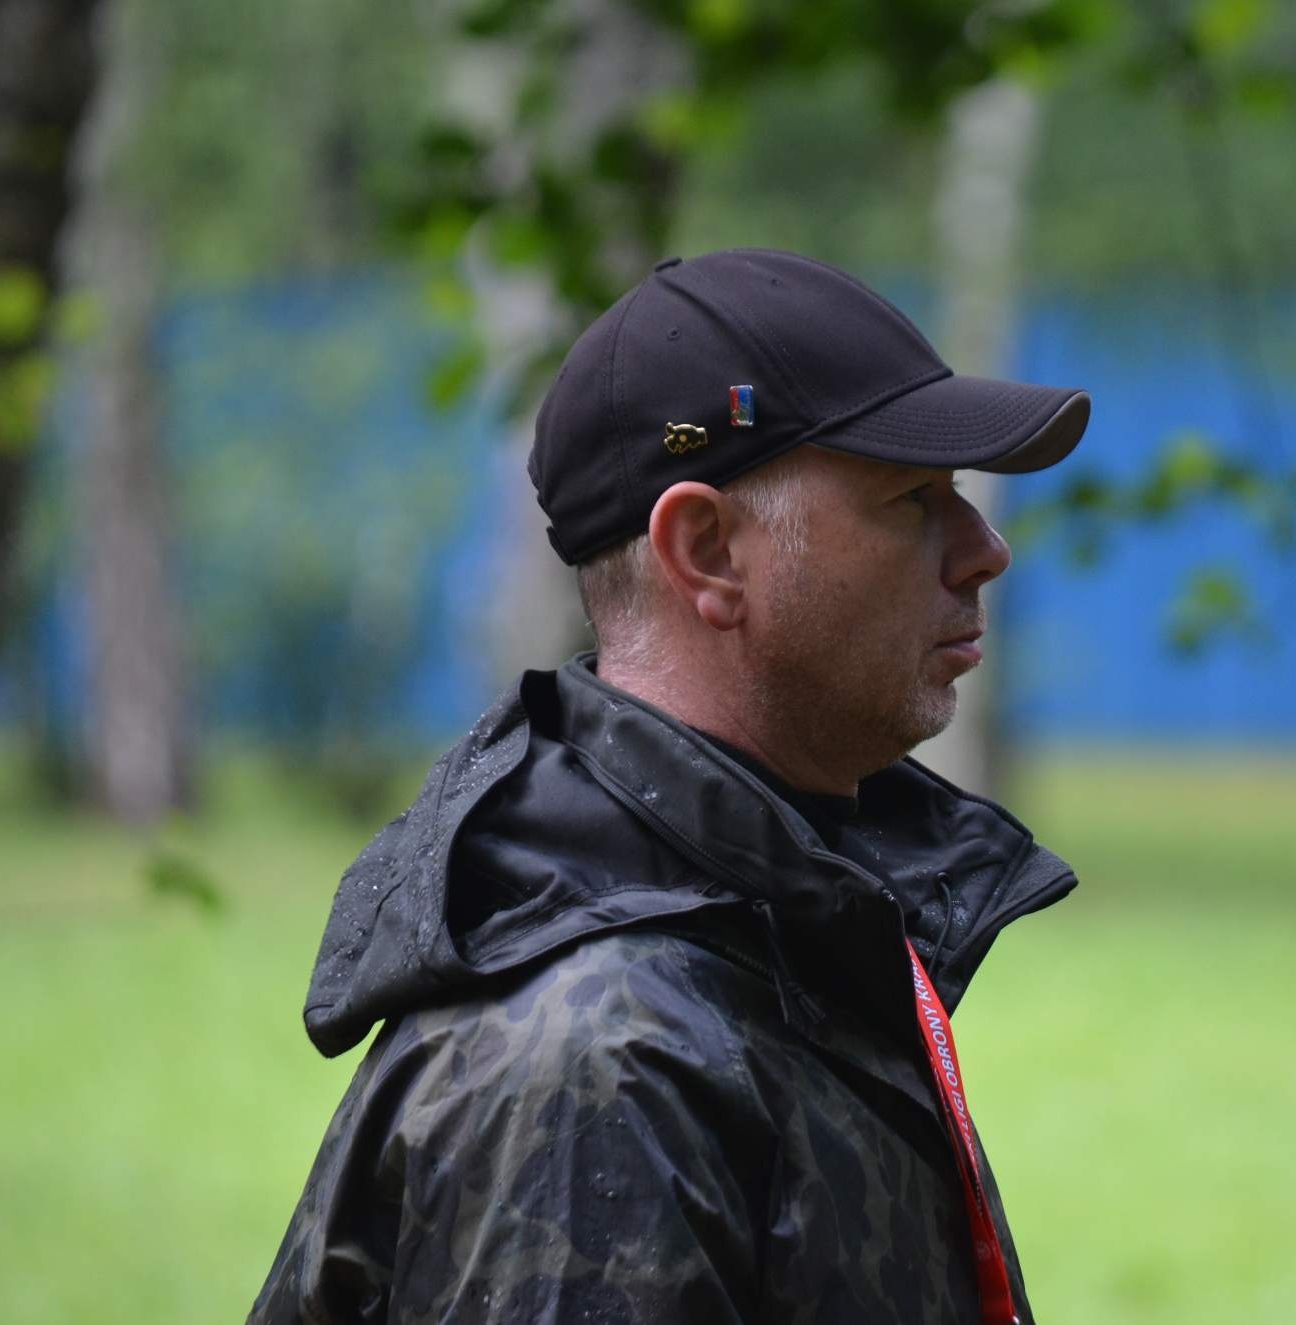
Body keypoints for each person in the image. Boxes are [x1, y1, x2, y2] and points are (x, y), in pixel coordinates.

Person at [249, 248, 1092, 1324]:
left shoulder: (774, 926)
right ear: (706, 550)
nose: (983, 549)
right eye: (910, 497)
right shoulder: (602, 1065)